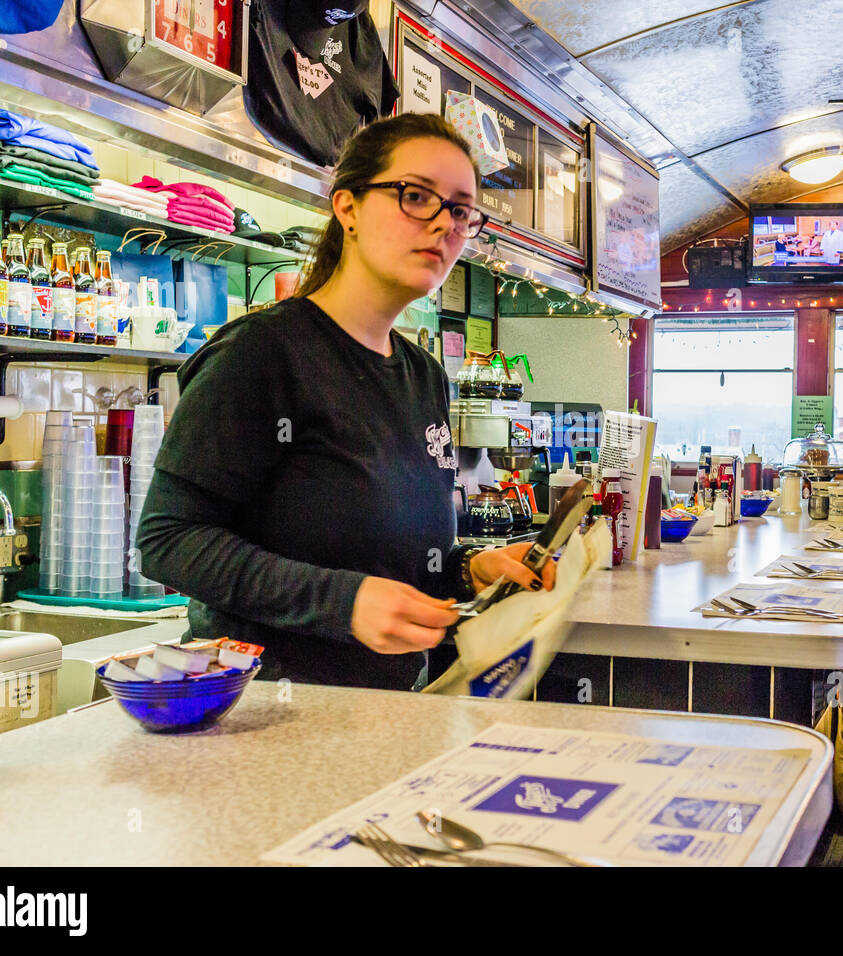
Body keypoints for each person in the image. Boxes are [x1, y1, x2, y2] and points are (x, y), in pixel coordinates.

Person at [137, 113, 555, 690]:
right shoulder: (263, 353)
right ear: (348, 207)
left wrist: (466, 568)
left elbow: (392, 560)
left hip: (392, 714)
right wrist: (343, 602)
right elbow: (168, 541)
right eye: (416, 196)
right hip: (266, 716)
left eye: (460, 210)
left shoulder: (423, 375)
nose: (443, 225)